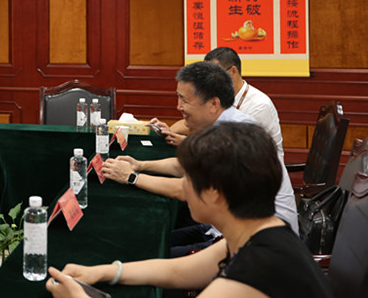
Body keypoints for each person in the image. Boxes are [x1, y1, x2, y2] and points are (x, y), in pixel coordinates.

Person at [47, 122, 333, 298]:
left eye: (189, 179)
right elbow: (178, 271)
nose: (183, 188)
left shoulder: (254, 272)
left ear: (215, 193)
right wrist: (105, 272)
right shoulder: (263, 231)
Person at [101, 61, 298, 235]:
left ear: (213, 104)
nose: (178, 107)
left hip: (256, 242)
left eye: (184, 100)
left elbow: (185, 190)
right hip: (225, 229)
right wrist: (140, 165)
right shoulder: (224, 123)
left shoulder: (235, 135)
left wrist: (131, 177)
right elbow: (186, 165)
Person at [158, 47, 283, 156]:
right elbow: (193, 121)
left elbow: (230, 149)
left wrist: (188, 143)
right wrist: (168, 131)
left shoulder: (259, 106)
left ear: (233, 71)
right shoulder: (217, 98)